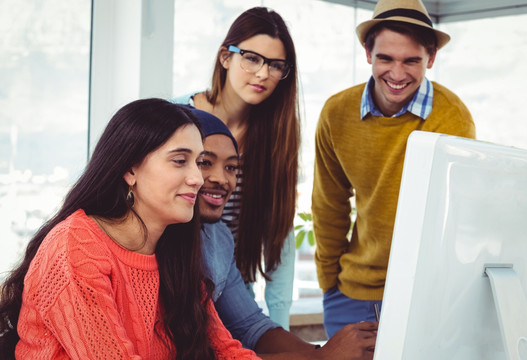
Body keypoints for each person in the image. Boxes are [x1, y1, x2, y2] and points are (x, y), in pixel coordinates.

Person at [0, 99, 258, 359]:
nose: (198, 179)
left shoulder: (174, 250)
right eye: (180, 161)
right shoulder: (75, 246)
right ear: (130, 169)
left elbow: (226, 350)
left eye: (198, 162)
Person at [312, 0, 477, 338]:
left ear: (431, 58)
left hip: (425, 294)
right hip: (351, 293)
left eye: (411, 61)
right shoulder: (336, 113)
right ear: (367, 52)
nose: (397, 74)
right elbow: (329, 206)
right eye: (386, 58)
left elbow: (457, 218)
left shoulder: (452, 119)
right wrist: (330, 284)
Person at [192, 108, 378, 360]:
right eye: (205, 162)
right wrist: (322, 358)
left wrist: (327, 352)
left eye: (231, 167)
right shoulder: (147, 244)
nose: (222, 179)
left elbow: (249, 326)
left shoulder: (217, 237)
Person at [172, 6, 299, 329]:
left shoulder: (276, 139)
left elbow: (279, 239)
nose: (262, 74)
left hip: (231, 295)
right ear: (225, 57)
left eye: (275, 65)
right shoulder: (177, 119)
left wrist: (280, 328)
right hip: (172, 287)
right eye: (252, 58)